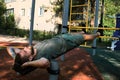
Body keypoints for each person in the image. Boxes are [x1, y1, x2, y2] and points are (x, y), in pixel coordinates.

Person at [7, 32, 100, 75]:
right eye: (25, 51)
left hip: (59, 37)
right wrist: (27, 64)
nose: (24, 48)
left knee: (79, 33)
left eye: (22, 50)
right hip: (67, 42)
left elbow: (9, 47)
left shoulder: (30, 52)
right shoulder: (39, 58)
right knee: (85, 37)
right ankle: (98, 34)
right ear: (30, 58)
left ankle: (82, 32)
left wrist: (16, 59)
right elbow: (45, 63)